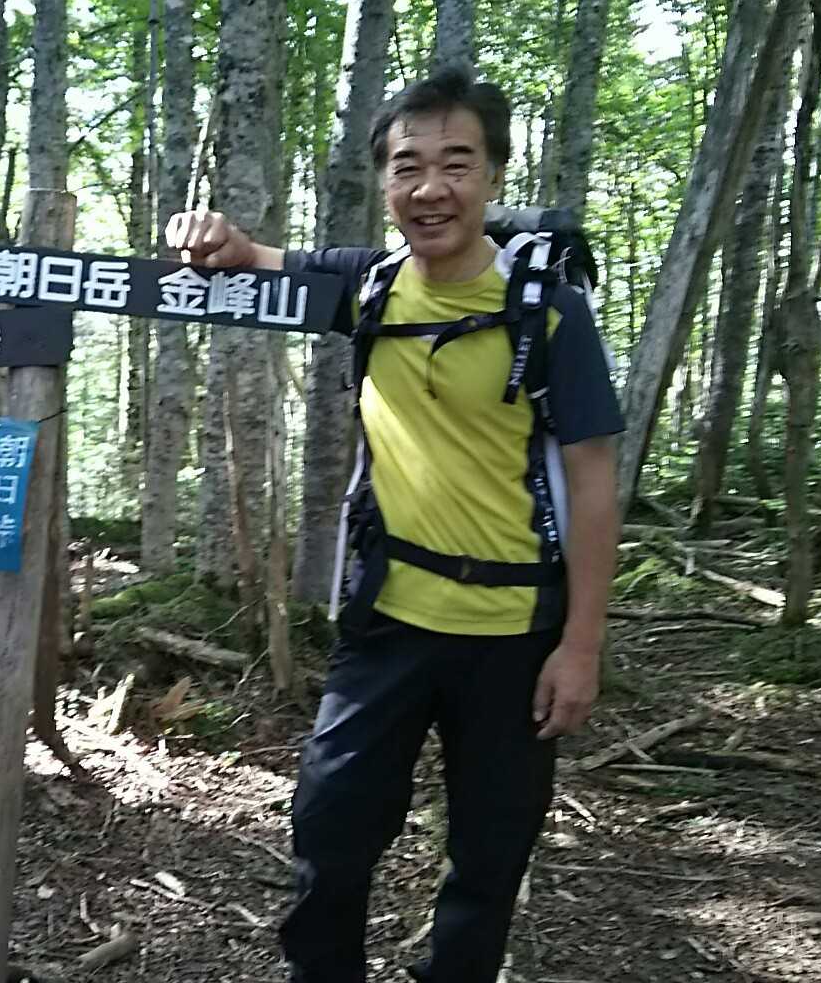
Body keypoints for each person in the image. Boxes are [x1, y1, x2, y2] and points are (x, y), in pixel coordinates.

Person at [166, 67, 622, 983]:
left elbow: (596, 484)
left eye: (457, 163)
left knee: (490, 855)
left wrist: (581, 648)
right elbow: (256, 259)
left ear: (493, 175)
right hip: (387, 621)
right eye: (408, 166)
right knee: (329, 828)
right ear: (384, 181)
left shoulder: (548, 310)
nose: (430, 187)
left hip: (515, 635)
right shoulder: (368, 285)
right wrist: (208, 234)